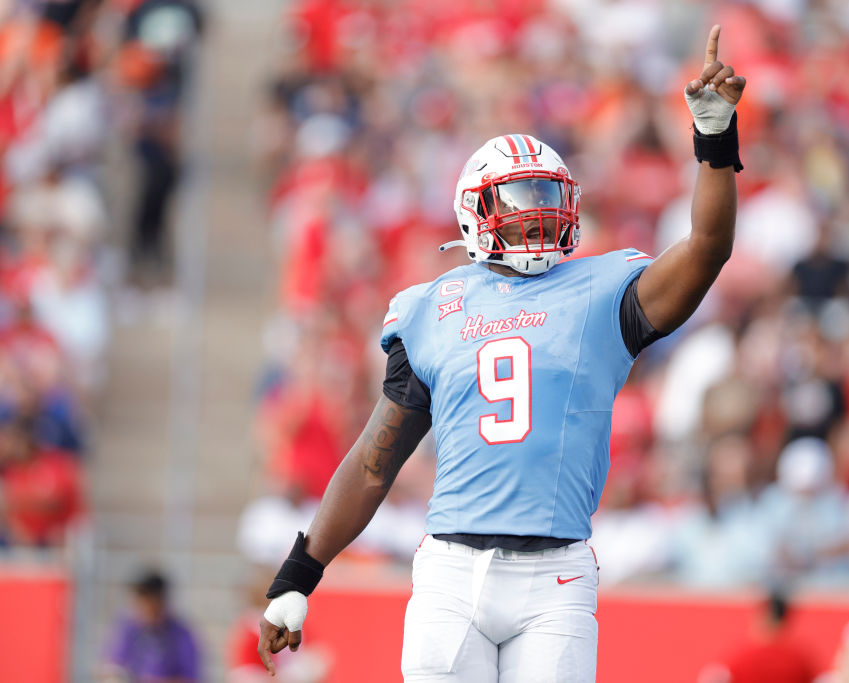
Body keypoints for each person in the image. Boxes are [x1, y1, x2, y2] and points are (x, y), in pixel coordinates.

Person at [258, 25, 745, 682]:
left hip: (558, 572)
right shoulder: (432, 307)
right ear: (473, 214)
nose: (535, 214)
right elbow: (376, 461)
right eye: (517, 200)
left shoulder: (602, 291)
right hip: (453, 572)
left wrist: (715, 139)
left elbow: (707, 247)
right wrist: (301, 569)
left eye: (547, 197)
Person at [101, 569, 201, 682]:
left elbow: (190, 678)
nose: (139, 605)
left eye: (145, 600)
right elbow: (111, 665)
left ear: (159, 600)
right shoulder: (128, 628)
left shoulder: (181, 635)